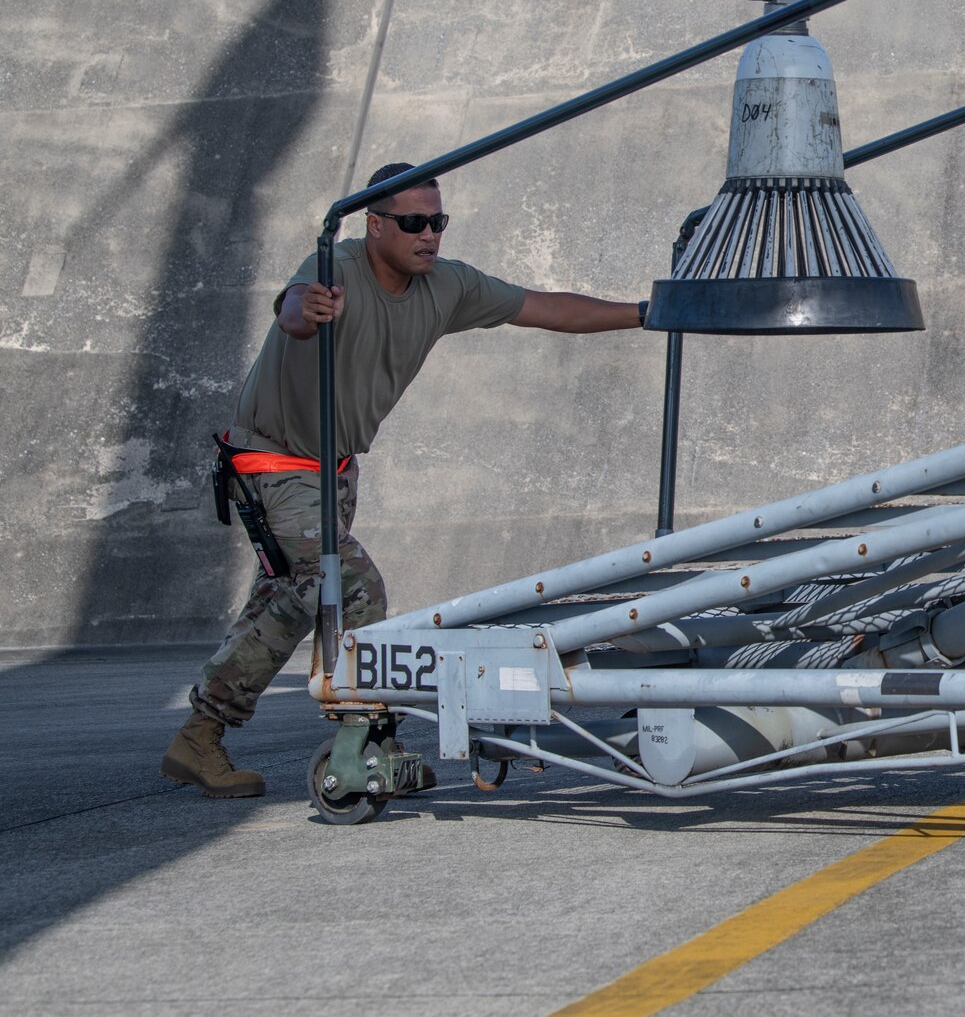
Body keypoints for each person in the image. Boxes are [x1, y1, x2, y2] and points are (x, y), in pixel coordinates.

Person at [161, 163, 646, 797]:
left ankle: (200, 736)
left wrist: (646, 311)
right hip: (275, 465)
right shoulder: (333, 267)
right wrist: (303, 311)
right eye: (413, 222)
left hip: (333, 471)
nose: (428, 236)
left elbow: (546, 308)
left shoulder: (447, 286)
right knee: (351, 593)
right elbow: (293, 311)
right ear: (375, 225)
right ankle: (363, 740)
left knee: (288, 601)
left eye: (437, 222)